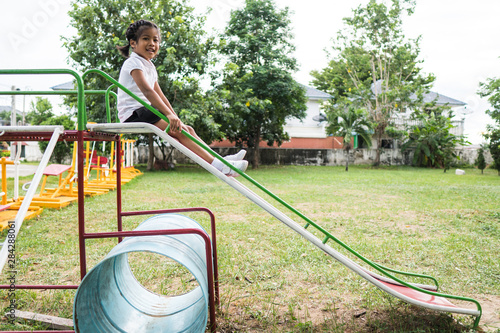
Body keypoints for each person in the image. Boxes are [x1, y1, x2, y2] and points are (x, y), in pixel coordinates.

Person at [116, 19, 247, 176]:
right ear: (133, 43)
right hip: (134, 114)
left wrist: (175, 117)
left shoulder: (150, 66)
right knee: (180, 132)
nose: (152, 43)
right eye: (146, 38)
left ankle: (222, 161)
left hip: (146, 111)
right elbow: (148, 91)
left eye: (155, 40)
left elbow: (160, 95)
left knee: (186, 129)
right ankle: (219, 165)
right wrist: (169, 115)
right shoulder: (133, 63)